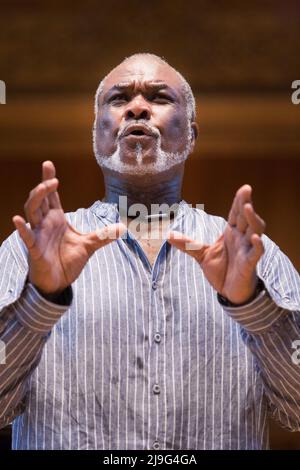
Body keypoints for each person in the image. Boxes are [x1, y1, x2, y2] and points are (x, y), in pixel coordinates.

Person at [0, 53, 299, 450]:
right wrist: (41, 298)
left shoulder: (255, 257)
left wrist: (251, 303)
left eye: (159, 97)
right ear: (97, 134)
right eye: (119, 98)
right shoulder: (29, 252)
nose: (137, 107)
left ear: (192, 135)